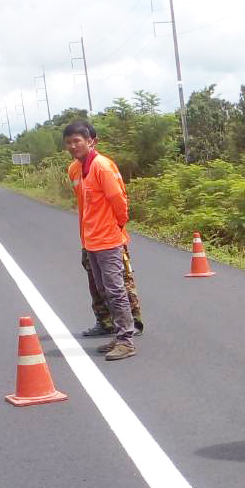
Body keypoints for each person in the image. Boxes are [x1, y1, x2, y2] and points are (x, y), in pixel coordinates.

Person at [64, 120, 139, 361]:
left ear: (90, 141)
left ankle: (126, 340)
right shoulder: (75, 169)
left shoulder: (102, 167)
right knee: (103, 290)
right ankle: (118, 335)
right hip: (90, 239)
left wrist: (118, 225)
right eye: (68, 142)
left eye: (77, 141)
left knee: (116, 290)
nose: (73, 146)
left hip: (108, 239)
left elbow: (119, 201)